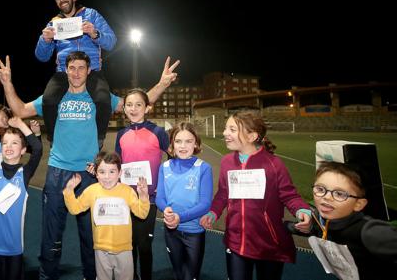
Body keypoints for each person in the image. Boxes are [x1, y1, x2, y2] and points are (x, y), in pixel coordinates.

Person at [0, 51, 179, 280]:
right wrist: (7, 83)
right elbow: (21, 110)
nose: (76, 73)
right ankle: (47, 276)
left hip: (90, 173)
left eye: (81, 68)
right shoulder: (53, 98)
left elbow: (136, 103)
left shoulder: (100, 98)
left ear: (89, 71)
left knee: (90, 235)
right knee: (51, 235)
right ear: (66, 70)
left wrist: (162, 83)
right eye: (72, 68)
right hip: (57, 171)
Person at [199, 110, 311, 280]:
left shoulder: (274, 164)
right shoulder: (227, 161)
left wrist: (302, 210)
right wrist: (213, 213)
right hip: (235, 241)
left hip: (268, 244)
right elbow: (223, 193)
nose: (224, 133)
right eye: (226, 128)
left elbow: (289, 195)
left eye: (232, 129)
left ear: (251, 137)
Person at [35, 0, 117, 148]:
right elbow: (41, 57)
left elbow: (112, 42)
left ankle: (99, 139)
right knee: (49, 101)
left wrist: (95, 33)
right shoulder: (53, 23)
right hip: (64, 72)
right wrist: (45, 40)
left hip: (91, 69)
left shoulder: (91, 15)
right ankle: (53, 140)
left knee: (103, 100)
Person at [0, 116, 42, 280]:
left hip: (14, 247)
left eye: (14, 143)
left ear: (23, 150)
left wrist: (21, 126)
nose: (9, 146)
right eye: (5, 143)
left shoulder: (24, 174)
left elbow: (38, 149)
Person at [302, 161, 397, 279]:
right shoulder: (320, 219)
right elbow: (313, 228)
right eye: (320, 189)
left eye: (340, 194)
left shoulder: (370, 232)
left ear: (358, 204)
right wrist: (289, 226)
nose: (326, 197)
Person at [63, 151, 150, 280]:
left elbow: (142, 214)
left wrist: (143, 196)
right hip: (100, 249)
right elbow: (75, 209)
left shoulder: (127, 191)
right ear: (96, 173)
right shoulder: (92, 191)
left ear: (120, 173)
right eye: (102, 172)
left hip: (124, 249)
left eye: (112, 172)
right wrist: (69, 191)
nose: (107, 177)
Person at [114, 88, 169, 280]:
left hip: (149, 199)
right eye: (129, 104)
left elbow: (173, 161)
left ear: (147, 108)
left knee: (144, 245)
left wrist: (163, 188)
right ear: (125, 108)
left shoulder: (158, 132)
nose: (133, 108)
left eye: (138, 104)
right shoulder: (121, 134)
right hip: (126, 199)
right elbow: (116, 165)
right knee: (128, 244)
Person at [155, 122, 213, 280]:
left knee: (191, 275)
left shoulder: (204, 168)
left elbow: (205, 204)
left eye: (188, 141)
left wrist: (180, 217)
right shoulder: (164, 167)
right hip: (171, 231)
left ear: (196, 143)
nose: (183, 146)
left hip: (194, 232)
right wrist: (166, 209)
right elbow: (160, 197)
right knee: (178, 273)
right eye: (178, 141)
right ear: (172, 144)